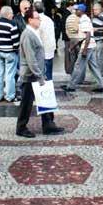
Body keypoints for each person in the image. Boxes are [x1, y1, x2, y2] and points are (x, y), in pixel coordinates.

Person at [16, 8, 64, 138]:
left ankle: (48, 124)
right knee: (26, 103)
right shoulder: (27, 34)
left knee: (45, 99)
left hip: (37, 74)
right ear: (30, 20)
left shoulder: (35, 32)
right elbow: (30, 59)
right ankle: (21, 127)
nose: (40, 20)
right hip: (30, 75)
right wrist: (39, 76)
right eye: (37, 18)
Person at [62, 4, 103, 93]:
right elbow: (82, 36)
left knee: (78, 66)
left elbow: (88, 35)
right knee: (94, 66)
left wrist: (84, 49)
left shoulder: (84, 20)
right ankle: (101, 85)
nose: (75, 11)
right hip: (91, 45)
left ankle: (71, 86)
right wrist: (73, 46)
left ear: (81, 11)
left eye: (77, 10)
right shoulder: (83, 19)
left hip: (87, 46)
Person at [0, 6, 19, 102]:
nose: (13, 16)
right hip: (10, 52)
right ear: (8, 14)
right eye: (12, 14)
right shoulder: (12, 24)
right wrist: (15, 50)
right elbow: (16, 42)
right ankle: (10, 96)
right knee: (10, 75)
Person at [34, 2, 56, 81]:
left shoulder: (35, 20)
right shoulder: (49, 20)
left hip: (40, 50)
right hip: (50, 49)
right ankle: (49, 89)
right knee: (49, 73)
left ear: (34, 9)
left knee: (39, 72)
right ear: (43, 9)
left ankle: (40, 90)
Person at [92, 3, 103, 79]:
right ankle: (101, 74)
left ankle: (102, 74)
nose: (94, 11)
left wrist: (97, 29)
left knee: (100, 57)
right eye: (93, 9)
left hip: (101, 39)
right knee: (98, 57)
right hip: (95, 39)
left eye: (96, 9)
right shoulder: (94, 17)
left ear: (100, 9)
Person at [65, 5, 81, 74]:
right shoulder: (77, 18)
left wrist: (70, 37)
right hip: (77, 40)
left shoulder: (68, 18)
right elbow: (78, 29)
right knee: (79, 58)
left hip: (71, 39)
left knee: (72, 57)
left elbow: (66, 29)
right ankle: (78, 74)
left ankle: (72, 72)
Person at [61, 1, 74, 73]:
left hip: (66, 36)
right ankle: (69, 69)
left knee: (68, 53)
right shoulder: (68, 14)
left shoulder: (65, 13)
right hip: (68, 37)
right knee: (69, 53)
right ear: (70, 6)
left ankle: (68, 68)